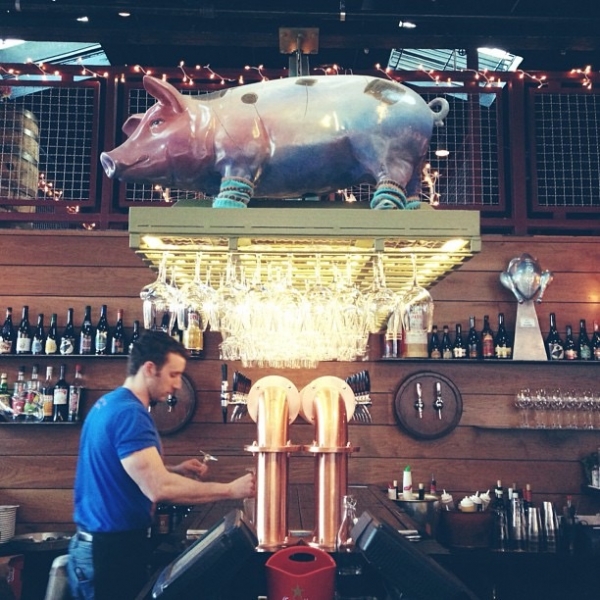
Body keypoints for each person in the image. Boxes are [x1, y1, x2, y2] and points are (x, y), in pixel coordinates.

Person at [67, 330, 255, 600]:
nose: (178, 385)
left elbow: (119, 471)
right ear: (149, 369)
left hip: (97, 545)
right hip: (110, 551)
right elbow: (158, 488)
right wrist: (230, 489)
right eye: (173, 374)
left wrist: (174, 470)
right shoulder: (130, 414)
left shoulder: (108, 404)